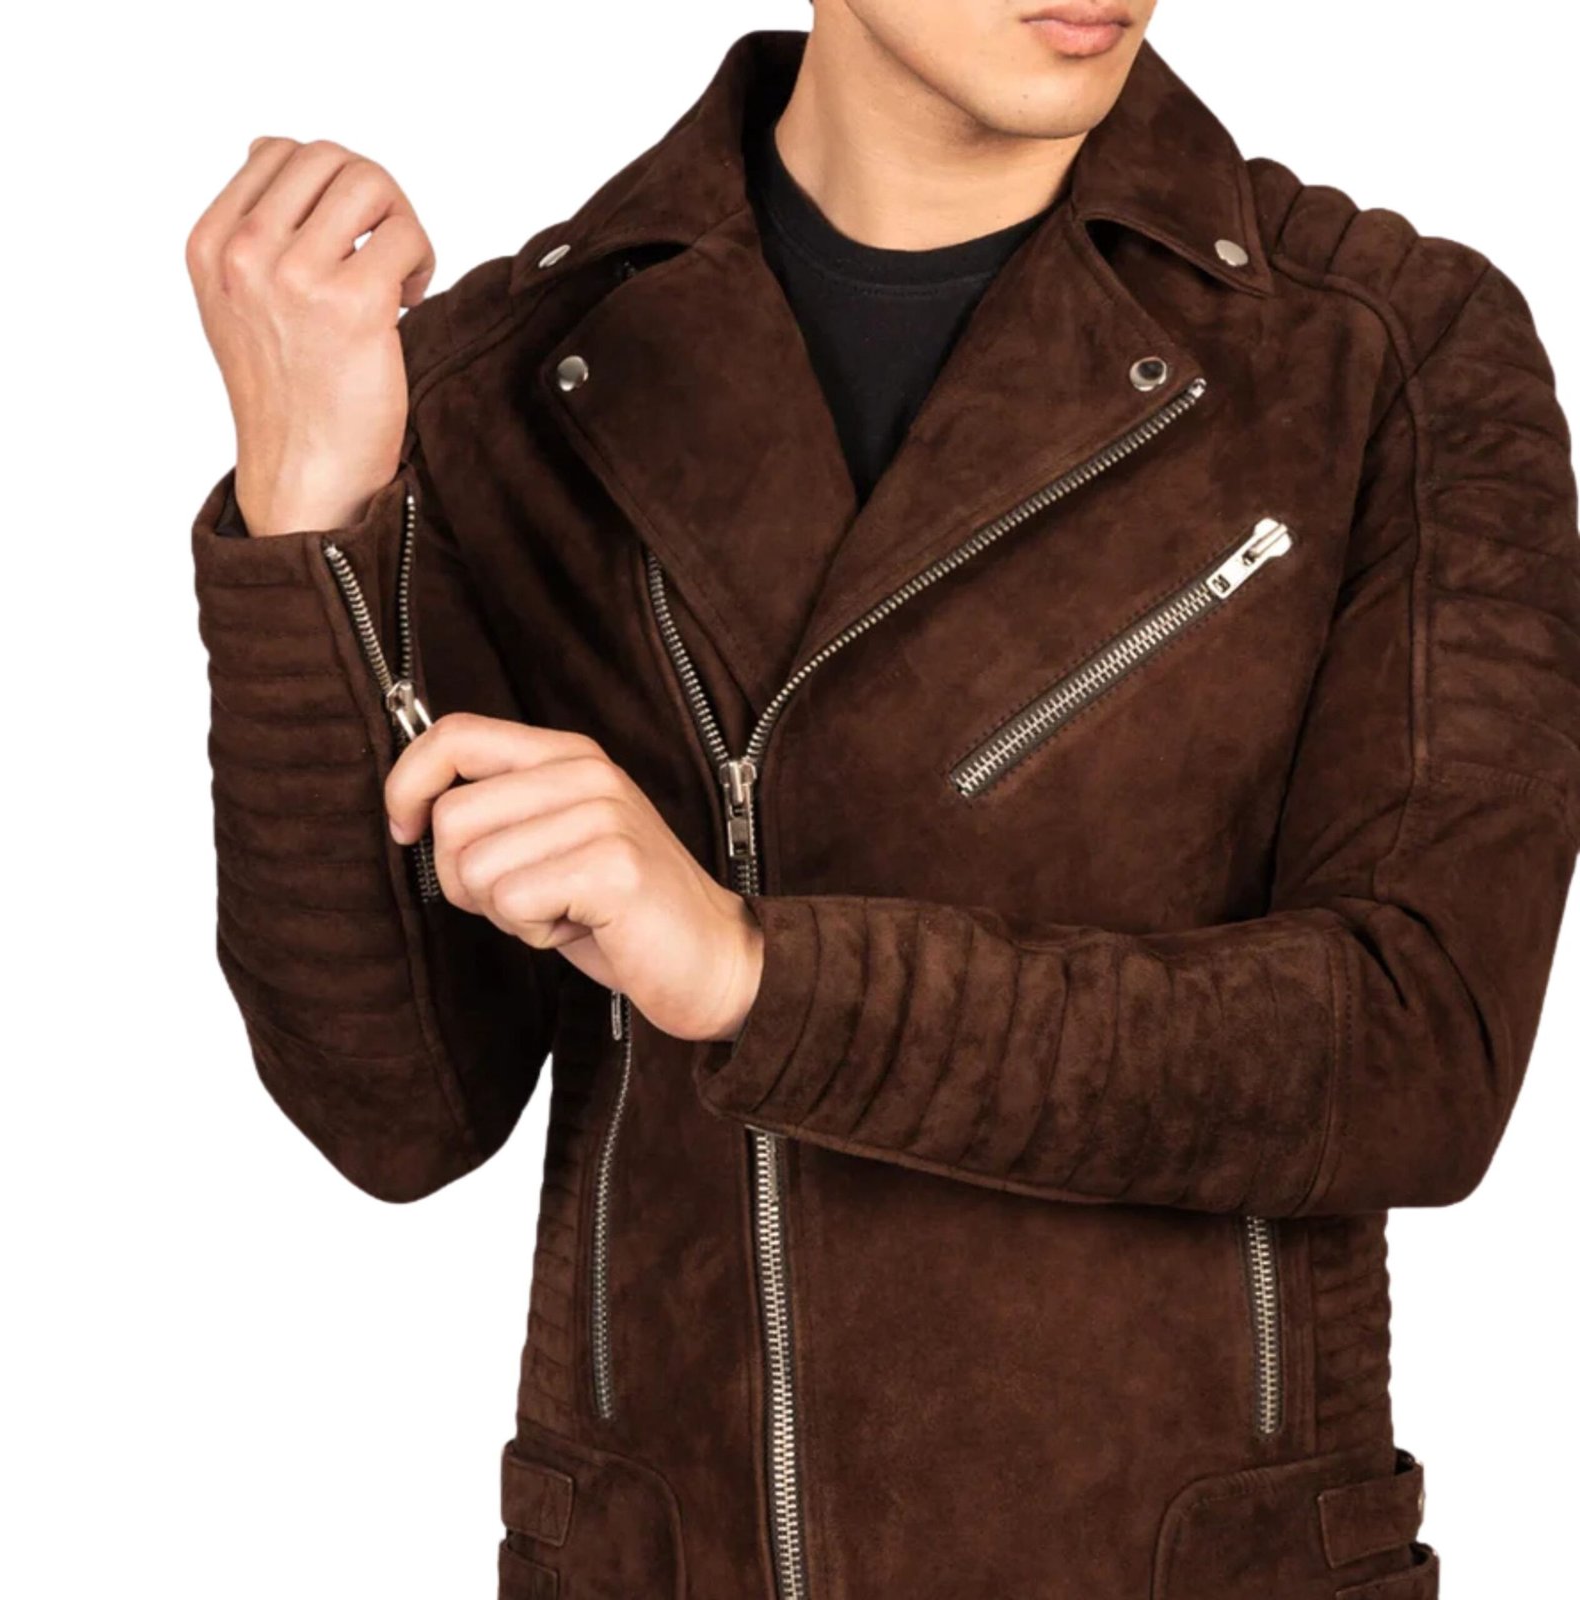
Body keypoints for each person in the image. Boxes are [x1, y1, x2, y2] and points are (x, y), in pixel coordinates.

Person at [182, 4, 1578, 1596]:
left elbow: (1419, 1047)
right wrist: (307, 517)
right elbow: (401, 1113)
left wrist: (758, 976)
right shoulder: (524, 377)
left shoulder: (1377, 348)